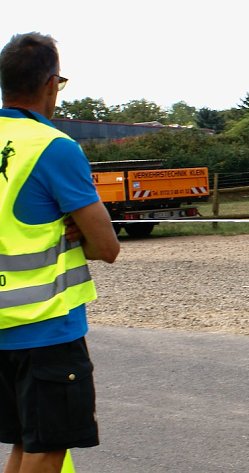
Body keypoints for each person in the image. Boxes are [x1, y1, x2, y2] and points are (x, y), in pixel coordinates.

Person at [0, 32, 120, 472]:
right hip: (46, 327)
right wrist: (77, 231)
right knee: (47, 451)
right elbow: (106, 247)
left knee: (24, 446)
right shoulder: (54, 148)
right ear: (52, 83)